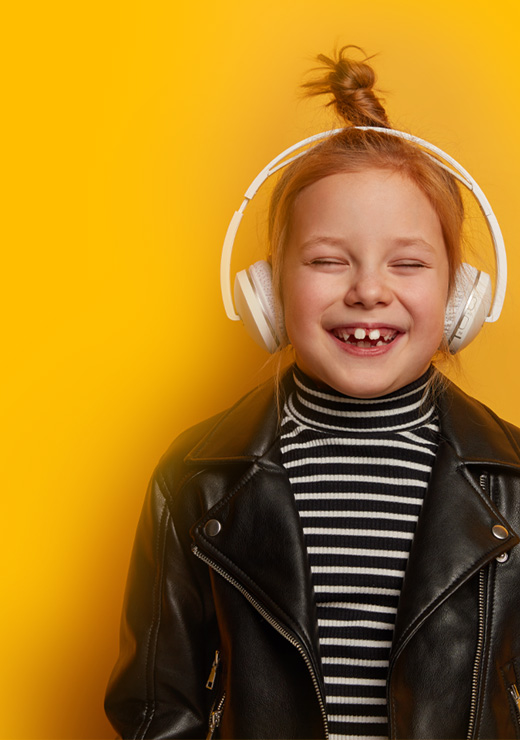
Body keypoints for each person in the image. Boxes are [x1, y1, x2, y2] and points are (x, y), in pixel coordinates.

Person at [105, 47, 520, 740]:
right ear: (269, 294)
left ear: (461, 299)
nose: (367, 289)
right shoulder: (198, 476)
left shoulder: (512, 478)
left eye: (408, 263)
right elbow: (155, 702)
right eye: (328, 260)